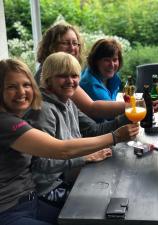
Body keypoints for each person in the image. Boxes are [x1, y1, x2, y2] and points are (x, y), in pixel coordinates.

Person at [0, 58, 139, 225]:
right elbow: (60, 151)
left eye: (26, 85)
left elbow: (92, 130)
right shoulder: (9, 123)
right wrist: (115, 137)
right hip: (11, 209)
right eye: (11, 87)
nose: (22, 92)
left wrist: (123, 119)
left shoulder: (65, 104)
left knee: (100, 212)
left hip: (30, 200)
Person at [26, 52, 135, 208]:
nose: (70, 81)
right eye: (62, 76)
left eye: (74, 75)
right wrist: (85, 157)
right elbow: (41, 164)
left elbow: (94, 130)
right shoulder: (43, 111)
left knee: (120, 189)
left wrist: (127, 117)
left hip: (70, 174)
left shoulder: (67, 101)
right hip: (49, 188)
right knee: (100, 204)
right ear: (48, 79)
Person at [35, 21, 126, 120]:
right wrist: (135, 106)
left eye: (75, 43)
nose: (72, 48)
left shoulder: (62, 71)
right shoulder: (48, 72)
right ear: (51, 46)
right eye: (65, 43)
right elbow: (91, 108)